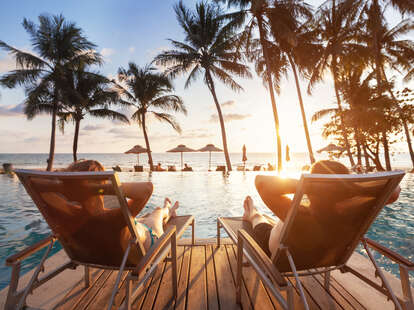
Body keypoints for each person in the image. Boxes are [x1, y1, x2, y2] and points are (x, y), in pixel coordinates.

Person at [242, 160, 401, 259]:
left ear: (313, 191)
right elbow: (394, 192)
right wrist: (349, 187)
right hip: (320, 256)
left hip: (276, 248)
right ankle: (255, 213)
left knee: (257, 219)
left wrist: (313, 186)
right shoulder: (350, 213)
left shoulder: (302, 216)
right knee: (272, 219)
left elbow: (261, 181)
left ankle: (252, 212)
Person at [38, 160, 179, 253]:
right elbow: (147, 188)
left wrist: (69, 186)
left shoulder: (73, 212)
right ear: (103, 185)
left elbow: (38, 183)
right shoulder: (114, 218)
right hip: (150, 238)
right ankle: (169, 208)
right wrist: (101, 186)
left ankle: (169, 209)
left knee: (146, 216)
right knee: (159, 213)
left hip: (135, 229)